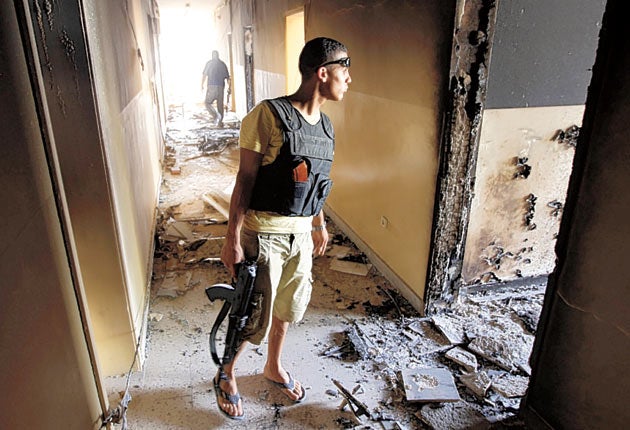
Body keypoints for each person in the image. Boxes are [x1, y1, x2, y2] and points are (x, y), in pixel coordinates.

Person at [215, 37, 352, 419]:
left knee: (288, 308)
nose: (349, 79)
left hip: (301, 235)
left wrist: (319, 224)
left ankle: (272, 365)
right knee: (251, 311)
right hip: (264, 233)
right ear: (322, 73)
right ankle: (226, 371)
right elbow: (244, 180)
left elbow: (316, 183)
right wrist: (231, 239)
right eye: (345, 69)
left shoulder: (325, 127)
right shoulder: (269, 115)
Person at [201, 50, 230, 126]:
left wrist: (202, 85)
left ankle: (215, 115)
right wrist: (229, 87)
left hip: (211, 86)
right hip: (221, 87)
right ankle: (220, 121)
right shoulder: (222, 64)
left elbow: (204, 75)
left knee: (207, 103)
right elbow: (228, 77)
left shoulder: (209, 64)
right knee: (220, 105)